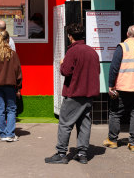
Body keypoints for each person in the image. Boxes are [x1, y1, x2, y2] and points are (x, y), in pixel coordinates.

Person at [45, 23, 100, 165]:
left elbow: (66, 71)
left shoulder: (72, 51)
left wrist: (62, 63)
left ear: (70, 36)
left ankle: (61, 153)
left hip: (75, 93)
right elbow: (97, 71)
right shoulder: (92, 52)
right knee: (84, 123)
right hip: (89, 94)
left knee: (65, 123)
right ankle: (82, 154)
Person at [104, 25, 134, 152]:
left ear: (127, 34)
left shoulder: (123, 47)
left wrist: (110, 85)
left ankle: (112, 140)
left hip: (123, 86)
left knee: (115, 113)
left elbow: (114, 67)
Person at [0, 30, 22, 142]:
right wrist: (19, 87)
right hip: (10, 85)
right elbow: (18, 72)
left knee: (0, 110)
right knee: (11, 109)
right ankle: (10, 134)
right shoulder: (13, 54)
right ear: (8, 40)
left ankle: (2, 134)